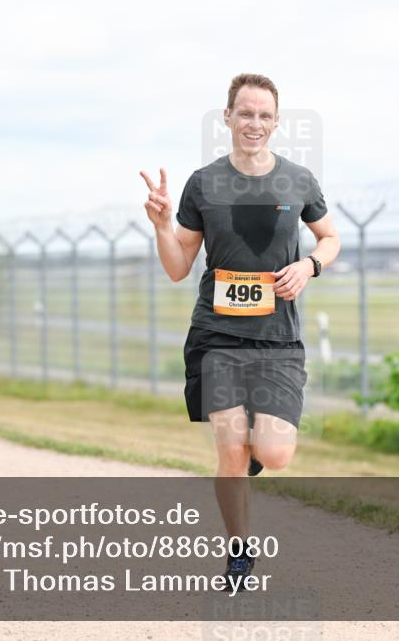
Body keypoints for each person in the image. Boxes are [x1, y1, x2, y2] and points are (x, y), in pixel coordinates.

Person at [139, 73, 341, 587]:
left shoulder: (298, 180)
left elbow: (330, 237)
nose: (254, 123)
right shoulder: (203, 183)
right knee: (230, 449)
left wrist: (310, 266)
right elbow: (178, 266)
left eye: (264, 115)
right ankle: (239, 554)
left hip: (278, 340)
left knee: (272, 455)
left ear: (276, 122)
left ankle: (244, 470)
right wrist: (163, 228)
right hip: (217, 338)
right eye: (245, 113)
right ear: (226, 117)